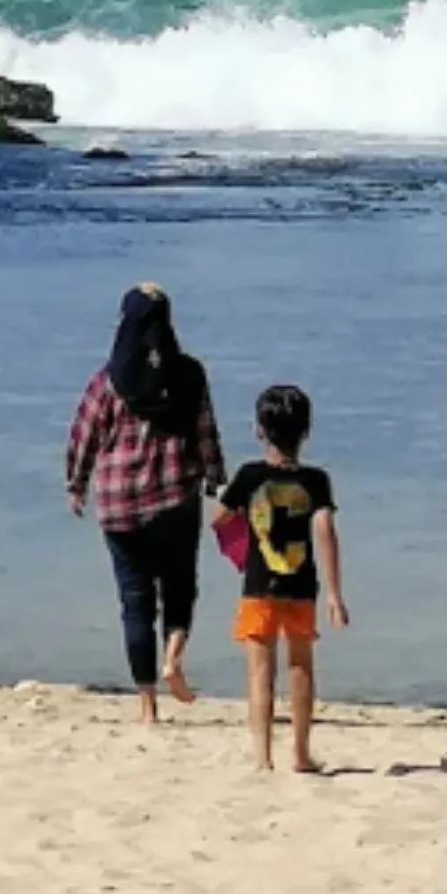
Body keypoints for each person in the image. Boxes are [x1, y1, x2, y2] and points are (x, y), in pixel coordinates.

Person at [66, 283, 225, 724]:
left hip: (119, 506)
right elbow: (206, 433)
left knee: (135, 602)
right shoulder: (189, 374)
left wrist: (75, 484)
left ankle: (147, 706)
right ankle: (173, 659)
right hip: (176, 498)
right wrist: (217, 483)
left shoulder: (107, 380)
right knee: (179, 589)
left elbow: (84, 436)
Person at [214, 383, 349, 772]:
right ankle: (301, 754)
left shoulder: (249, 476)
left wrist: (241, 534)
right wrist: (335, 594)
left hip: (259, 586)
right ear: (306, 432)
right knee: (301, 667)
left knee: (259, 672)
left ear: (258, 430)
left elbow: (219, 517)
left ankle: (262, 757)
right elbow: (325, 531)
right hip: (302, 586)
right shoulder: (316, 481)